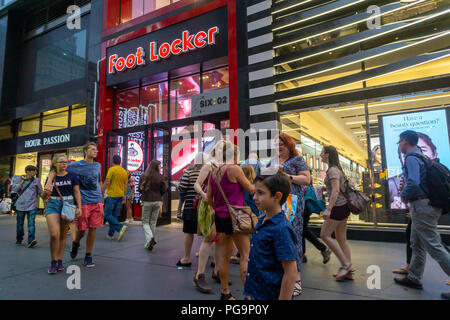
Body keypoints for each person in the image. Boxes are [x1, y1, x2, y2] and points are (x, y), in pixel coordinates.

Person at [393, 130, 450, 299]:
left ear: (404, 141)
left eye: (399, 142)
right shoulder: (423, 157)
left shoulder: (411, 157)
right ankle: (414, 277)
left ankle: (415, 277)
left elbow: (413, 182)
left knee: (433, 245)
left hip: (422, 205)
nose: (399, 146)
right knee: (416, 242)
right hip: (426, 204)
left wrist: (403, 196)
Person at [207, 140, 254, 300]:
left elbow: (208, 199)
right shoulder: (234, 169)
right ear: (233, 155)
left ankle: (225, 292)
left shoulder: (213, 173)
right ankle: (249, 297)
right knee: (246, 255)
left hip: (220, 218)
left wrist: (220, 207)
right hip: (236, 218)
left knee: (223, 256)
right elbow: (251, 189)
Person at [243, 171, 298, 300]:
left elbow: (290, 272)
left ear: (277, 196)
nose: (254, 197)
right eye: (255, 192)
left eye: (260, 193)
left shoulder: (281, 229)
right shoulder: (262, 220)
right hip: (259, 292)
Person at [269, 133, 310, 296]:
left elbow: (307, 180)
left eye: (282, 144)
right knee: (277, 237)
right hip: (275, 203)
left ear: (289, 145)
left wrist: (288, 177)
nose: (278, 147)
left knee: (294, 237)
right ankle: (282, 275)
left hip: (292, 203)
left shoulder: (297, 160)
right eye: (276, 144)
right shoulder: (272, 161)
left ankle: (296, 278)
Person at [42, 155, 82, 274]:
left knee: (63, 235)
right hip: (53, 204)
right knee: (55, 234)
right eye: (61, 162)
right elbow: (44, 197)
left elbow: (76, 191)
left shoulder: (72, 176)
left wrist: (79, 206)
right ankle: (53, 261)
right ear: (55, 164)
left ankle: (59, 260)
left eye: (66, 162)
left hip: (68, 204)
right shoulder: (51, 177)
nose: (65, 164)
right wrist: (46, 191)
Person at [191, 145, 222, 294]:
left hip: (222, 206)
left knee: (219, 238)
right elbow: (197, 184)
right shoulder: (210, 165)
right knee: (210, 238)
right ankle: (199, 274)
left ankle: (217, 271)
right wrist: (205, 197)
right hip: (211, 206)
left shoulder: (227, 165)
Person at [319, 145, 354, 281]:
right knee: (341, 239)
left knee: (325, 235)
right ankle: (348, 270)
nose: (320, 155)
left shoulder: (332, 170)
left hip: (338, 207)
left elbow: (335, 190)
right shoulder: (337, 169)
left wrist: (329, 209)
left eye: (322, 153)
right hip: (344, 206)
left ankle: (346, 265)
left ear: (327, 155)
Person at [68, 142, 104, 268]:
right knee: (82, 229)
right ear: (85, 151)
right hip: (83, 202)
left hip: (97, 200)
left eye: (96, 150)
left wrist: (102, 198)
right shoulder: (75, 165)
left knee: (93, 228)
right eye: (92, 149)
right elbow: (60, 171)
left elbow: (99, 181)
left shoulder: (97, 165)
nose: (95, 152)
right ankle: (76, 242)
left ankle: (88, 255)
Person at [177, 153, 206, 268]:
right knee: (206, 234)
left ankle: (186, 258)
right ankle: (208, 256)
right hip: (204, 207)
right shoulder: (207, 172)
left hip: (190, 206)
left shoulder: (189, 172)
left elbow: (182, 187)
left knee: (189, 233)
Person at [302, 172, 331, 264]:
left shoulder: (301, 175)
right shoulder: (306, 175)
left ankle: (323, 248)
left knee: (302, 229)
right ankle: (302, 254)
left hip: (304, 204)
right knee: (301, 229)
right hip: (304, 203)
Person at [139, 160, 168, 251]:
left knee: (145, 222)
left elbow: (140, 189)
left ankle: (150, 237)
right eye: (160, 166)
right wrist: (159, 195)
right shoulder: (161, 177)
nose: (160, 168)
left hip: (147, 200)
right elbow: (164, 189)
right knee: (153, 222)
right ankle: (149, 243)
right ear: (157, 167)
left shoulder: (144, 176)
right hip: (158, 201)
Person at [12, 165, 43, 248]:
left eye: (36, 171)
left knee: (31, 223)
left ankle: (31, 240)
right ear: (28, 171)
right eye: (34, 171)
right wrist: (22, 181)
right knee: (19, 223)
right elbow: (15, 189)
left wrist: (46, 200)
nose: (36, 172)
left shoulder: (36, 180)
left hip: (32, 205)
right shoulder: (18, 178)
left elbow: (40, 192)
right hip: (20, 205)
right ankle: (19, 239)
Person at [103, 155, 129, 241]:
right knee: (114, 215)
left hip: (112, 195)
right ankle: (110, 235)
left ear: (112, 161)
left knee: (107, 214)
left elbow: (107, 182)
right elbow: (125, 185)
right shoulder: (124, 171)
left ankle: (120, 227)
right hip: (120, 195)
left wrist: (102, 191)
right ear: (120, 161)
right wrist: (124, 195)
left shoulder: (111, 169)